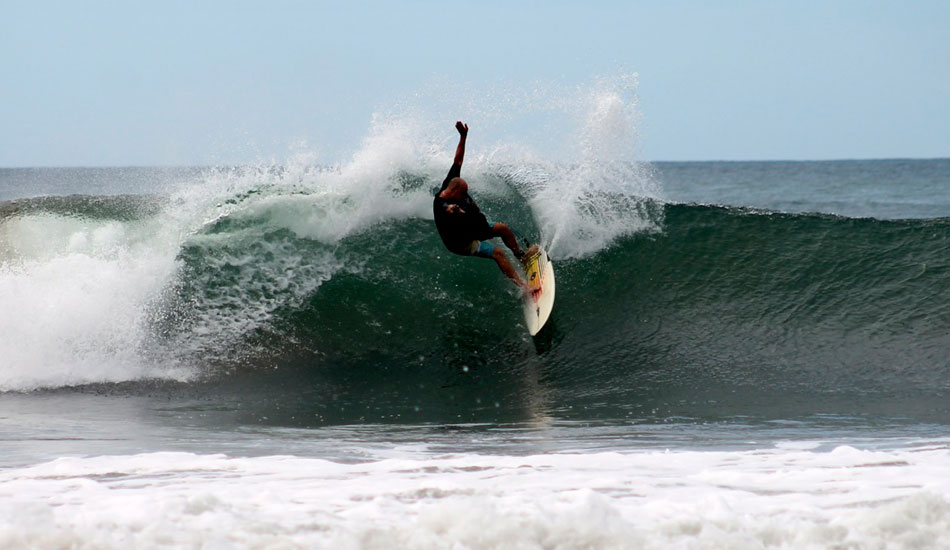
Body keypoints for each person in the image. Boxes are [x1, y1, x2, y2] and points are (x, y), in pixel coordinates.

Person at [433, 121, 536, 292]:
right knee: (497, 253)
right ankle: (524, 288)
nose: (465, 196)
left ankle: (522, 258)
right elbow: (448, 210)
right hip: (462, 242)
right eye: (463, 194)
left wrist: (463, 137)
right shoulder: (442, 204)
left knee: (503, 229)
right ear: (454, 192)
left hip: (475, 228)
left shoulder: (451, 182)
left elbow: (458, 159)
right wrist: (455, 211)